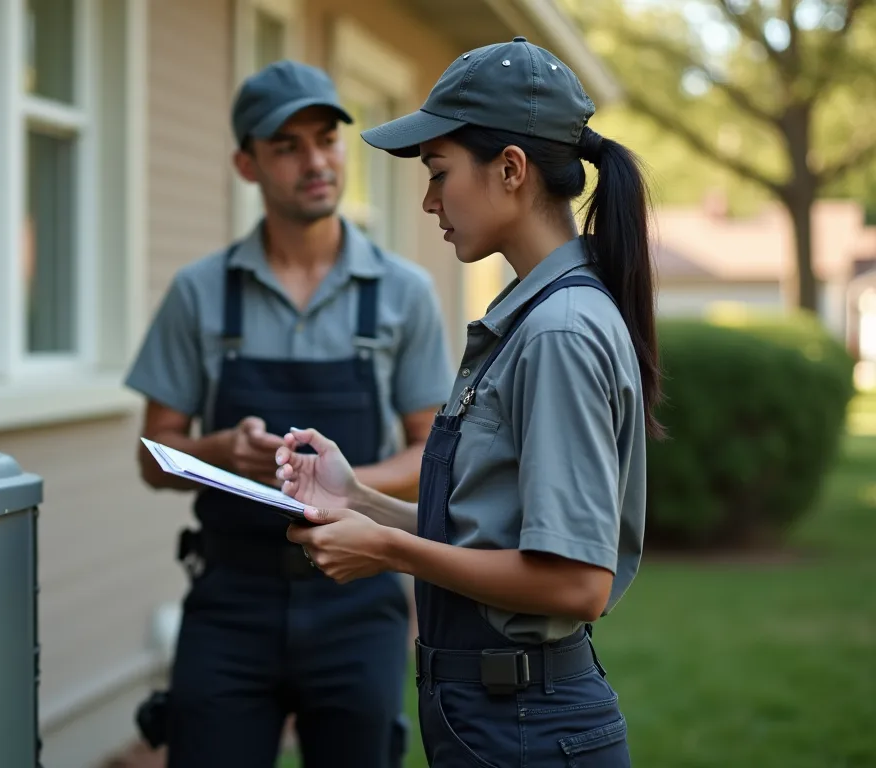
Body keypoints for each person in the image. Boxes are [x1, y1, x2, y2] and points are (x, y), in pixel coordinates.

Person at [279, 37, 662, 767]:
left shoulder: (558, 332)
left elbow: (575, 582)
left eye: (438, 172)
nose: (428, 201)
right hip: (496, 719)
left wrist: (387, 548)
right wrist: (359, 500)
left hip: (526, 729)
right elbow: (495, 535)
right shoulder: (530, 316)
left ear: (510, 170)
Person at [124, 59, 455, 768]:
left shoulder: (405, 292)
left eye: (326, 140)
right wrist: (217, 449)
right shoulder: (199, 293)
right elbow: (153, 455)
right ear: (247, 164)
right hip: (229, 597)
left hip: (358, 602)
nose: (316, 162)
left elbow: (432, 454)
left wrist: (345, 489)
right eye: (287, 146)